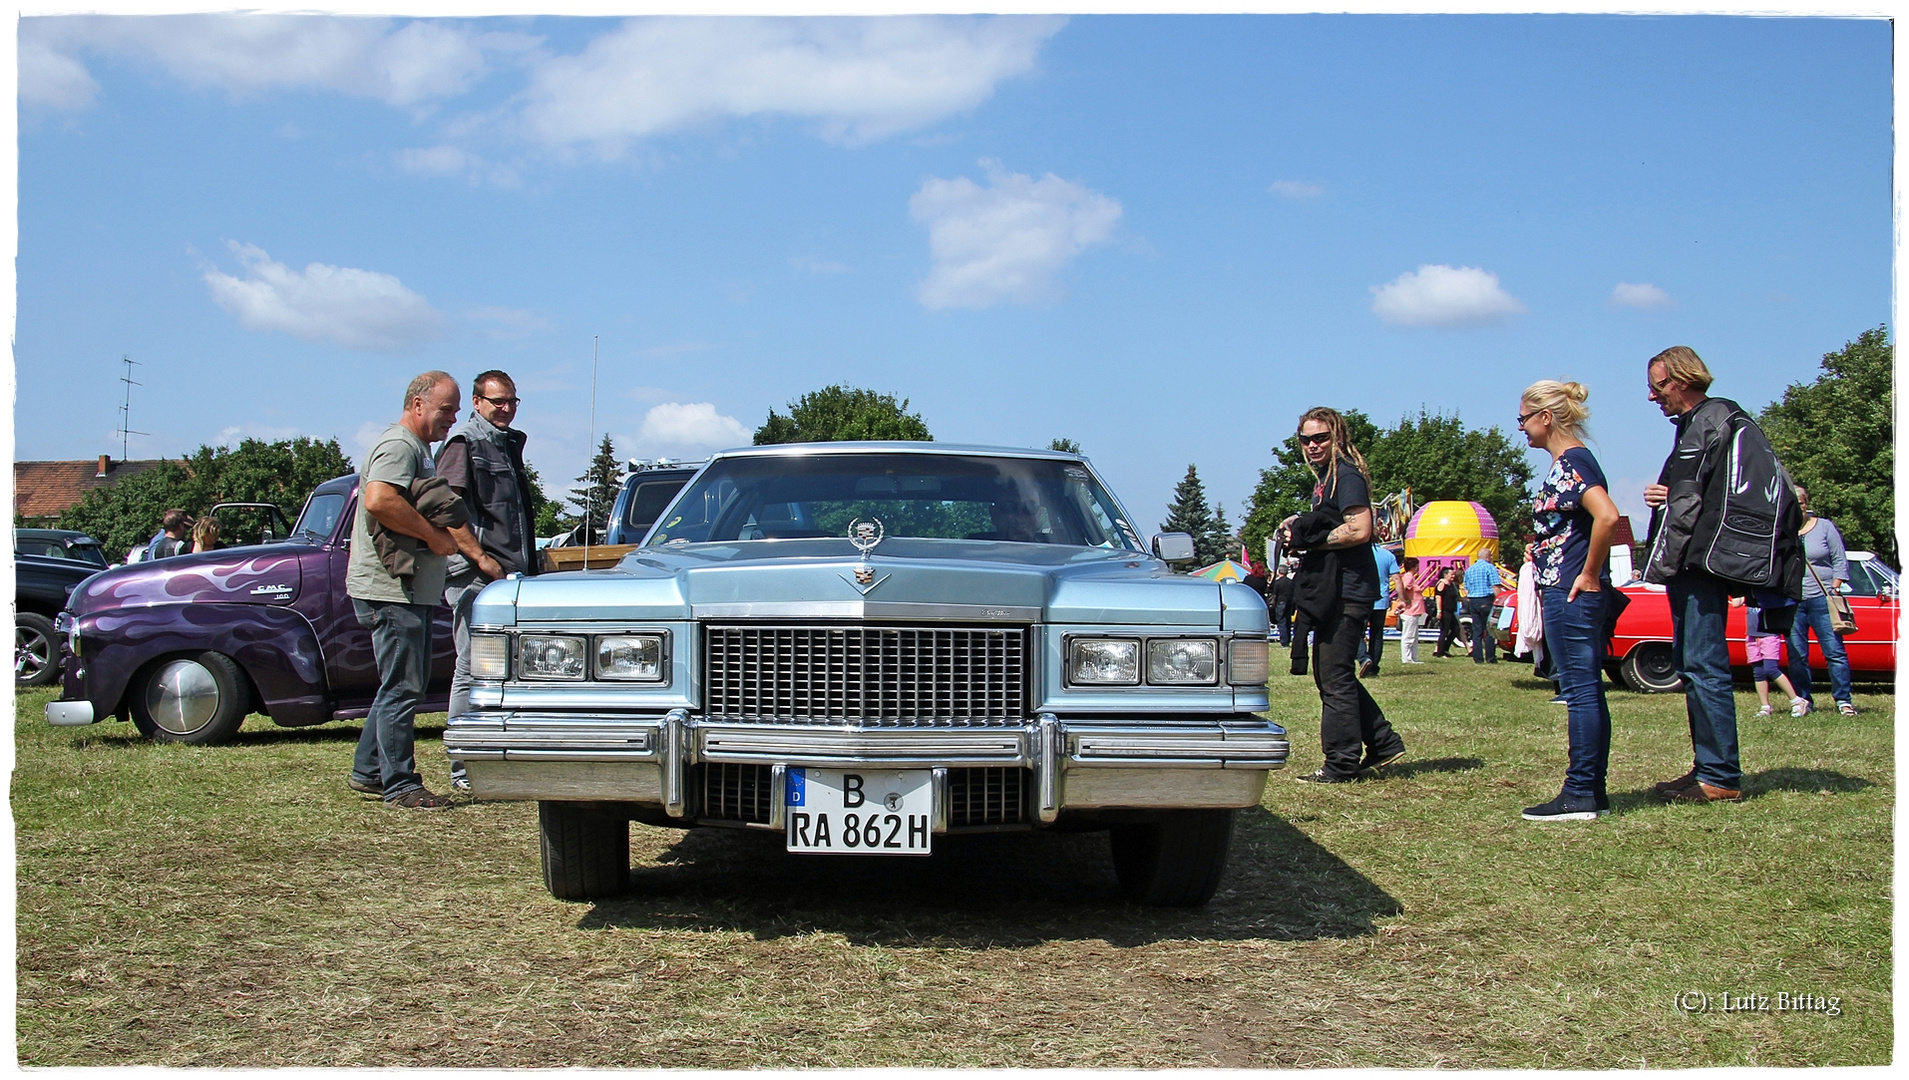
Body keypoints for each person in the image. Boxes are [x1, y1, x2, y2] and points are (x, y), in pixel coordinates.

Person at [1641, 345, 1800, 804]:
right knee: (1694, 664)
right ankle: (1708, 766)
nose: (1653, 397)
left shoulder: (1709, 418)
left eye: (1658, 386)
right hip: (1703, 559)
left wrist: (1664, 556)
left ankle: (1720, 775)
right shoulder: (1715, 420)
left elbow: (1688, 502)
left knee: (1703, 664)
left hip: (1698, 562)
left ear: (1684, 379)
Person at [347, 371, 488, 811]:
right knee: (403, 687)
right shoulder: (400, 446)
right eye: (447, 408)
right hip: (393, 592)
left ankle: (370, 771)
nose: (454, 416)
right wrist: (432, 537)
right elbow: (378, 500)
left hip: (405, 591)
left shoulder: (417, 450)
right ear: (418, 404)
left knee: (399, 683)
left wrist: (471, 552)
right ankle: (400, 785)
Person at [1278, 406, 1406, 783]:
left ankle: (1341, 762)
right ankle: (1382, 741)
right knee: (1333, 673)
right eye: (1306, 439)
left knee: (1333, 676)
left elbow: (1360, 529)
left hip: (1349, 591)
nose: (1313, 445)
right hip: (1339, 590)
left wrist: (1309, 537)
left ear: (1338, 437)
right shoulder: (1326, 480)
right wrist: (1299, 524)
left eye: (1321, 438)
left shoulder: (1345, 475)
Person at [1516, 380, 1620, 821]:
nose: (1520, 428)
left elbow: (1608, 515)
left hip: (1571, 592)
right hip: (1563, 588)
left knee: (1580, 691)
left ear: (1546, 417)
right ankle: (1589, 791)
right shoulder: (1569, 463)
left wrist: (1589, 573)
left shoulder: (1574, 463)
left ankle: (1580, 794)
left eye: (1523, 419)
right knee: (1584, 689)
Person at [435, 371, 526, 791]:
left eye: (511, 401)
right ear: (476, 402)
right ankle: (463, 767)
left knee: (514, 668)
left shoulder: (507, 445)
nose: (504, 408)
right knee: (471, 668)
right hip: (476, 578)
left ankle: (505, 759)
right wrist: (481, 560)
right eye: (496, 401)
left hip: (511, 576)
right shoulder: (465, 444)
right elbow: (445, 511)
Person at [1784, 485, 1857, 717]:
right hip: (1793, 601)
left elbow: (1839, 559)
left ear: (1807, 504)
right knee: (1797, 655)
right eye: (1793, 503)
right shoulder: (1783, 530)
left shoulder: (1824, 527)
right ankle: (1803, 700)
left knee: (1834, 651)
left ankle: (1844, 701)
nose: (1798, 507)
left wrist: (1834, 588)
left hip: (1822, 599)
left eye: (1801, 502)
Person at [1733, 594, 1805, 718]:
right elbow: (1735, 603)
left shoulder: (1767, 594)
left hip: (1769, 635)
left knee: (1771, 668)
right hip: (1752, 635)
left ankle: (1797, 701)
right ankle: (1765, 706)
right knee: (1758, 671)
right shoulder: (1749, 594)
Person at [1359, 543, 1400, 677]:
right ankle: (1373, 667)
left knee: (1357, 631)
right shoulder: (1388, 555)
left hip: (1362, 598)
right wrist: (1403, 598)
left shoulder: (1359, 554)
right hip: (1381, 600)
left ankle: (1364, 658)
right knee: (1376, 636)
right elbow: (1397, 579)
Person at [1463, 554, 1502, 663]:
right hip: (1486, 599)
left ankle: (1478, 658)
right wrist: (1498, 601)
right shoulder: (1489, 567)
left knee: (1477, 630)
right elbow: (1495, 586)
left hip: (1473, 600)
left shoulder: (1470, 569)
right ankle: (1490, 657)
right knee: (1489, 630)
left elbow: (1466, 588)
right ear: (1488, 556)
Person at [1394, 556, 1427, 664]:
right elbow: (1403, 588)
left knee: (1413, 636)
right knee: (1408, 636)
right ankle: (1407, 658)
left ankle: (1413, 657)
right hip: (1410, 611)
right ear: (1414, 566)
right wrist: (1406, 600)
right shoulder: (1408, 577)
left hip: (1415, 611)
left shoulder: (1411, 577)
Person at [1433, 566, 1462, 657]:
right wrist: (1439, 611)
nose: (1453, 576)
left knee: (1456, 629)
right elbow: (1438, 597)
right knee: (1444, 631)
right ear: (1445, 575)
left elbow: (1456, 597)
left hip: (1451, 611)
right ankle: (1440, 652)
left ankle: (1445, 648)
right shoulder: (1442, 584)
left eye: (1454, 574)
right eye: (1451, 574)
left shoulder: (1452, 585)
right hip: (1444, 611)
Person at [1269, 565, 1296, 647]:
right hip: (1290, 603)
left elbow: (1274, 594)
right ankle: (1288, 639)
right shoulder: (1291, 582)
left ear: (1279, 572)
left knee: (1281, 622)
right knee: (1288, 622)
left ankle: (1284, 641)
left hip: (1280, 602)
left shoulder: (1278, 582)